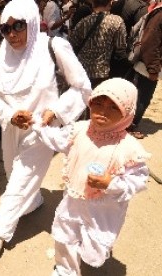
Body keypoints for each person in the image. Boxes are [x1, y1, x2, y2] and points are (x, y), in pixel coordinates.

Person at [0, 0, 91, 257]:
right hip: (12, 128)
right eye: (6, 29)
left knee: (21, 177)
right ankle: (34, 202)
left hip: (43, 128)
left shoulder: (53, 46)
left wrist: (57, 111)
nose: (12, 35)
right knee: (13, 173)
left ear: (31, 21)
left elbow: (82, 86)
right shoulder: (4, 54)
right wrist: (10, 115)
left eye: (18, 26)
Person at [31, 78, 150, 276]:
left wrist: (111, 183)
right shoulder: (79, 130)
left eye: (114, 107)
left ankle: (93, 252)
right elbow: (55, 138)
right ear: (90, 103)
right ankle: (65, 270)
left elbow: (138, 179)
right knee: (65, 236)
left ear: (127, 112)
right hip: (74, 201)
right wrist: (35, 123)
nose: (103, 111)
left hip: (103, 210)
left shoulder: (130, 149)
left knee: (94, 245)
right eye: (98, 104)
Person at [69, 0, 127, 88]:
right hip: (102, 73)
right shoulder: (117, 21)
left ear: (93, 4)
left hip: (81, 71)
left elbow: (72, 43)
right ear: (110, 3)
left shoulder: (84, 22)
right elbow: (121, 48)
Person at [127, 1, 162, 139]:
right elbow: (151, 42)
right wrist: (152, 69)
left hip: (147, 63)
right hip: (147, 65)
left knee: (141, 95)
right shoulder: (159, 14)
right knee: (143, 97)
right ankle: (130, 126)